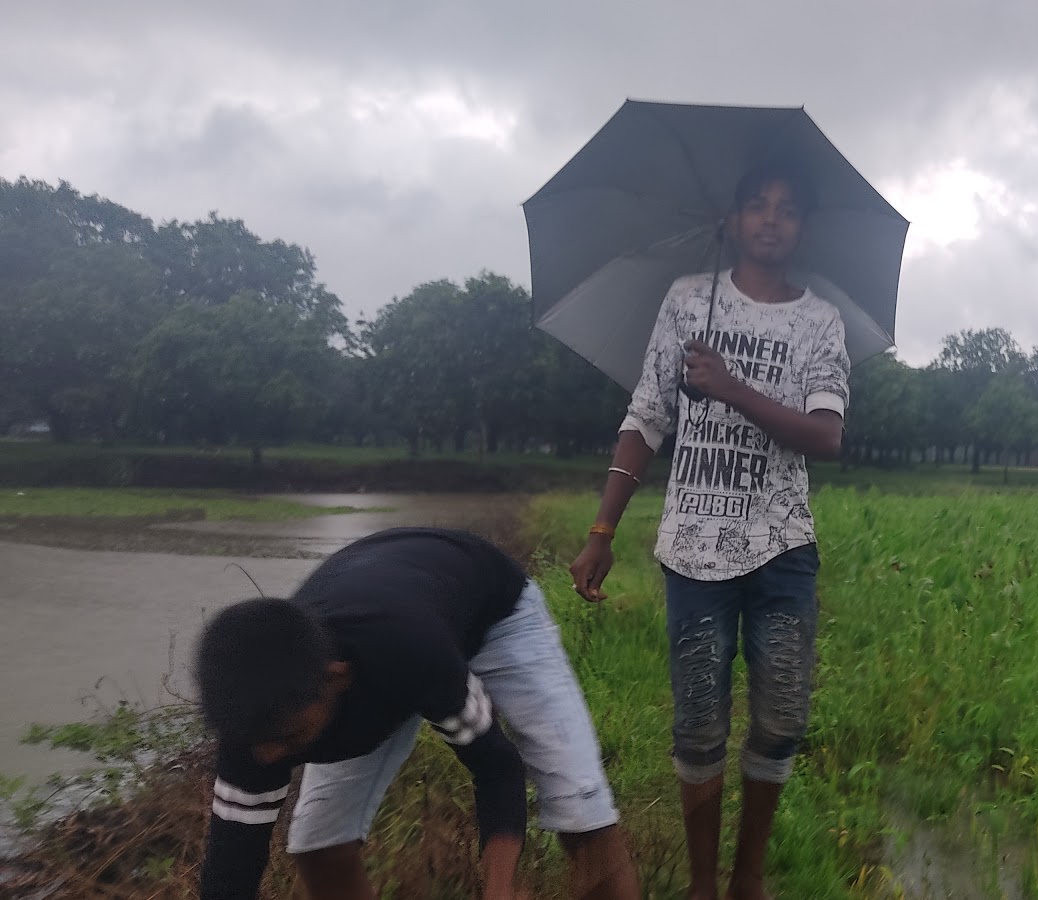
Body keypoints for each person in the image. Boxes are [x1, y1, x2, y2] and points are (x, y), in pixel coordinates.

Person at [569, 158, 850, 900]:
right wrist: (602, 529)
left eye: (787, 208)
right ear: (731, 220)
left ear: (803, 227)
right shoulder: (688, 301)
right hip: (694, 550)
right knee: (699, 725)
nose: (771, 218)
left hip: (783, 549)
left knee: (781, 720)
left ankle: (746, 879)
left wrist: (730, 386)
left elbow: (826, 436)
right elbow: (647, 416)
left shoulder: (819, 321)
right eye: (757, 204)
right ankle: (701, 885)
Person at [194, 526, 641, 900]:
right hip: (395, 603)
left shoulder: (412, 656)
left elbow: (497, 768)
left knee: (580, 808)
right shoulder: (255, 724)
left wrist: (499, 888)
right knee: (319, 846)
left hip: (492, 609)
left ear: (336, 679)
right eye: (258, 745)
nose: (270, 757)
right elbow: (229, 876)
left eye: (288, 738)